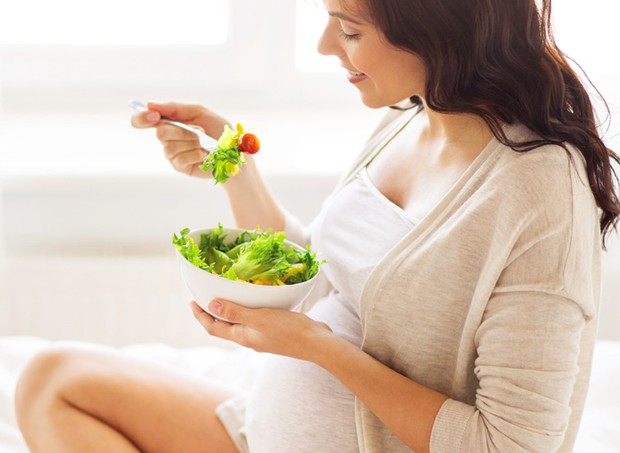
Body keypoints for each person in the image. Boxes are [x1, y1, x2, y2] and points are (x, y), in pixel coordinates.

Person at [14, 0, 620, 452]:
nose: (325, 45)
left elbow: (513, 445)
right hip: (265, 433)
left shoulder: (538, 187)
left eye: (350, 29)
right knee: (53, 381)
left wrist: (315, 348)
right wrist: (235, 170)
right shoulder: (410, 119)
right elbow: (334, 278)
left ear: (439, 30)